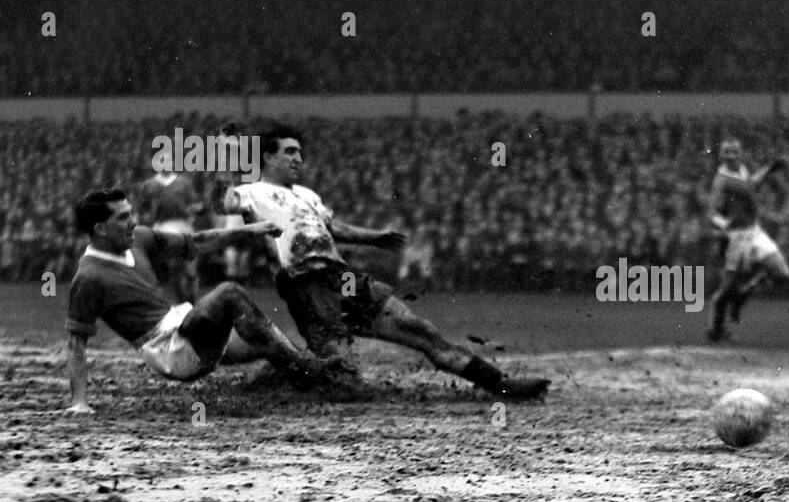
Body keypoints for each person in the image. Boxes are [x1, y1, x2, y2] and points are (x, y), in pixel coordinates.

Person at [225, 124, 550, 399]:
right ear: (268, 157)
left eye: (299, 152)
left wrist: (373, 237)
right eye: (290, 152)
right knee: (346, 385)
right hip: (306, 288)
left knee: (418, 328)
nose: (298, 158)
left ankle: (501, 385)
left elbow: (333, 228)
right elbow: (224, 202)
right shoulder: (251, 192)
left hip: (342, 277)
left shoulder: (307, 194)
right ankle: (285, 368)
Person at [65, 188, 334, 415]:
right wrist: (79, 403)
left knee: (268, 342)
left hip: (187, 330)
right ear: (100, 228)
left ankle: (316, 379)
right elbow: (76, 342)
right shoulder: (89, 277)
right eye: (124, 217)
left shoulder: (140, 240)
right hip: (171, 351)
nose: (133, 221)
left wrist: (250, 231)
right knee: (229, 292)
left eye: (131, 213)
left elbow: (197, 241)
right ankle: (308, 372)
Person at [705, 136, 789, 342]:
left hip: (755, 231)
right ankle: (715, 330)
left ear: (740, 153)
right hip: (738, 238)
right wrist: (725, 226)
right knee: (727, 288)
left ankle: (745, 292)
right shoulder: (722, 180)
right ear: (721, 155)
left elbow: (751, 183)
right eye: (727, 152)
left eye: (734, 151)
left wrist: (770, 167)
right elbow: (711, 213)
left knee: (782, 274)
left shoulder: (742, 170)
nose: (731, 156)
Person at [136, 166, 205, 303]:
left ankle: (192, 297)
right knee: (173, 266)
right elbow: (141, 209)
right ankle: (181, 300)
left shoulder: (183, 183)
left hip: (182, 224)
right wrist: (145, 218)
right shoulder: (150, 185)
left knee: (190, 267)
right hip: (162, 226)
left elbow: (196, 204)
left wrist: (193, 210)